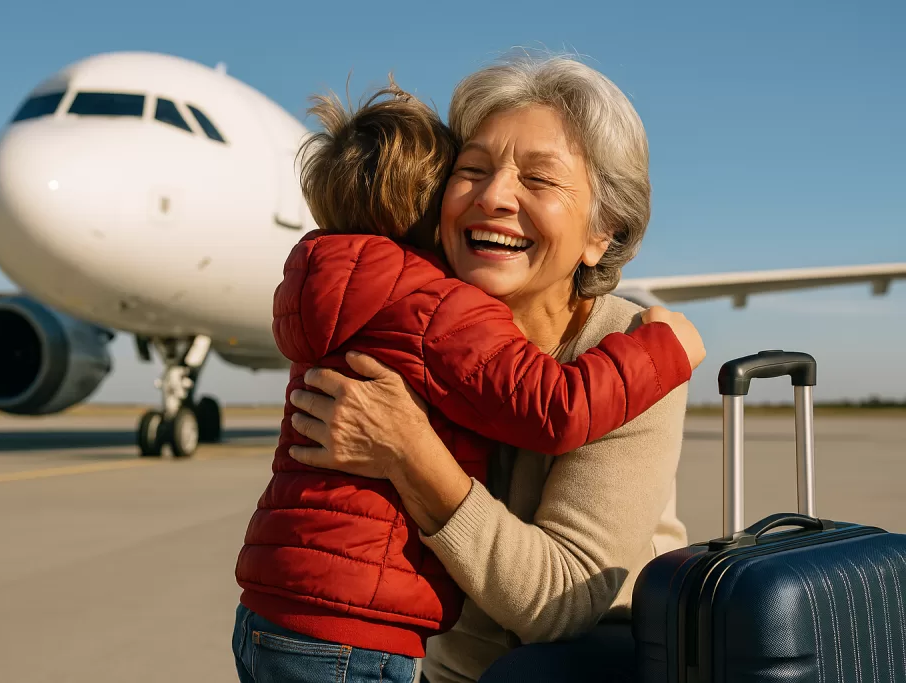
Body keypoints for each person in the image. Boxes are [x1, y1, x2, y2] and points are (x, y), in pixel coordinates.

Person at [231, 79, 703, 683]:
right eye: (472, 169)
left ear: (600, 233)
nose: (495, 196)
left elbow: (564, 602)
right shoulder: (413, 320)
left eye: (538, 178)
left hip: (588, 663)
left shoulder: (625, 357)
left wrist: (409, 453)